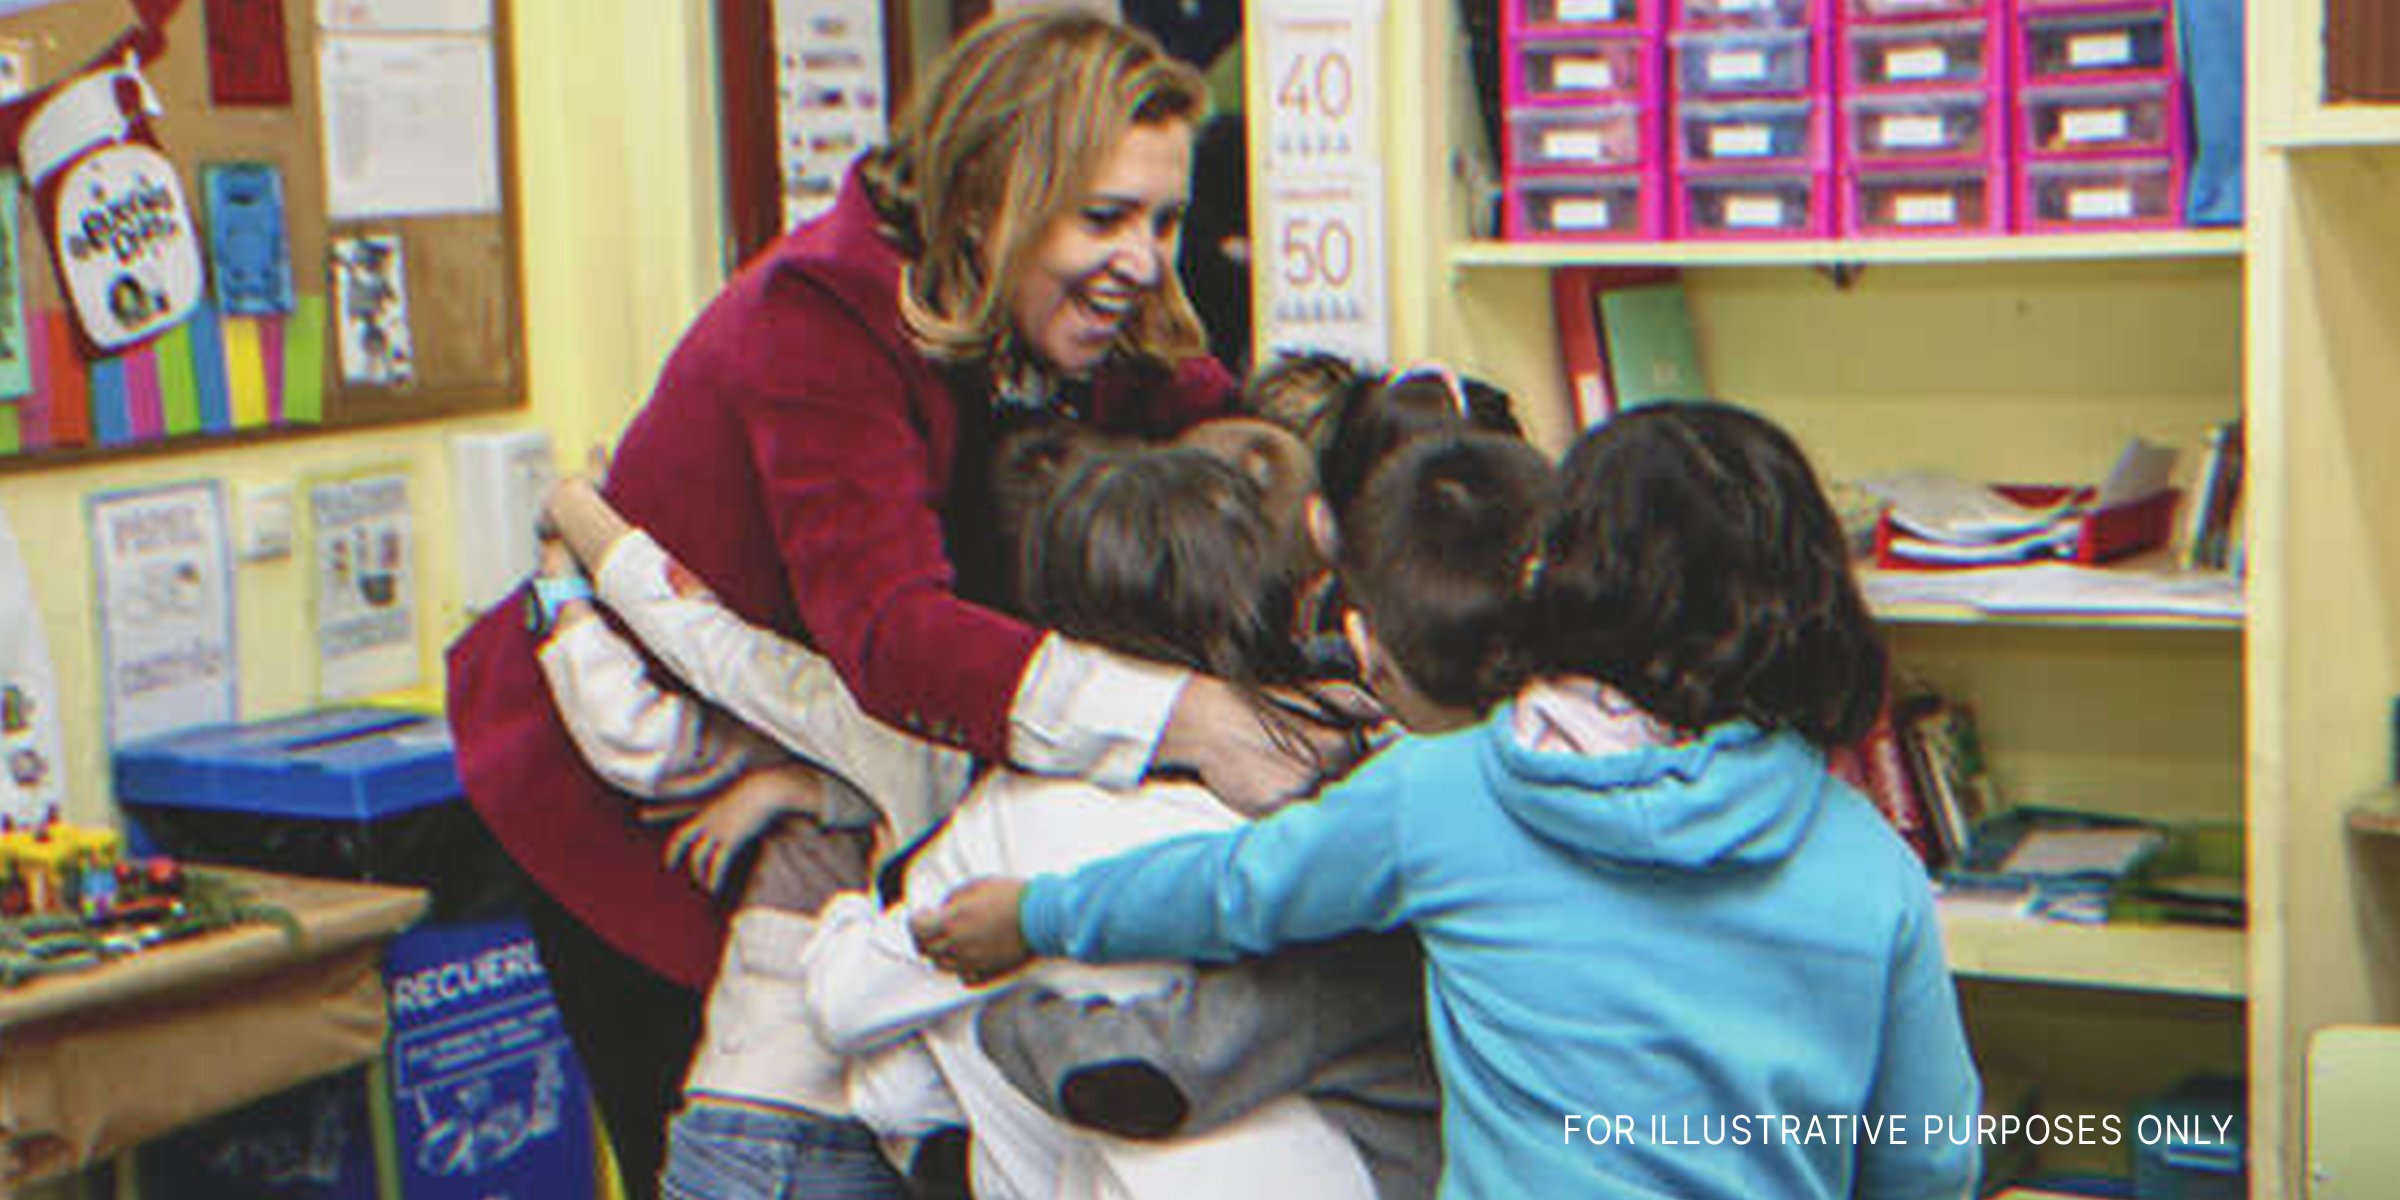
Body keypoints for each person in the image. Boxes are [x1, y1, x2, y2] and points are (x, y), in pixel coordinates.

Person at [443, 12, 1345, 1194]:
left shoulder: (1087, 307)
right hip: (644, 791)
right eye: (1106, 216)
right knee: (759, 1129)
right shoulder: (817, 315)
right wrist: (1199, 718)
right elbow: (893, 639)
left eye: (1165, 220)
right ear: (997, 195)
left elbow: (1244, 455)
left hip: (830, 770)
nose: (1144, 259)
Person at [915, 408, 1986, 1200]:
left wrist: (1035, 913)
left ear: (1561, 574)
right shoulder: (1868, 862)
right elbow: (1930, 1158)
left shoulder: (1455, 792)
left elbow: (1231, 891)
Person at [796, 447, 1391, 1199]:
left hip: (1085, 1157)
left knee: (927, 1030)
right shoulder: (1354, 766)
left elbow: (844, 1003)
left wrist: (855, 906)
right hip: (1350, 1170)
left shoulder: (1015, 824)